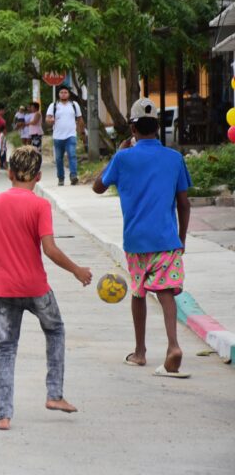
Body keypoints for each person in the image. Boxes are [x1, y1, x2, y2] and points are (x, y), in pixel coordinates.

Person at [0, 146, 92, 431]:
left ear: (9, 173)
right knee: (55, 330)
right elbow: (49, 249)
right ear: (38, 176)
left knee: (5, 348)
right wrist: (77, 270)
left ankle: (3, 415)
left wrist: (0, 246)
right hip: (36, 287)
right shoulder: (40, 206)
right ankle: (54, 395)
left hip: (3, 289)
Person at [92, 98, 192, 378]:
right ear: (158, 128)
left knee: (138, 292)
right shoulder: (174, 159)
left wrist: (118, 152)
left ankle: (140, 351)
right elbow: (184, 204)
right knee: (166, 291)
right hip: (167, 239)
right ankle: (173, 345)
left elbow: (97, 187)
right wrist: (181, 238)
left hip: (136, 241)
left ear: (133, 129)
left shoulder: (123, 157)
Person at [46, 86, 84, 186]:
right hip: (57, 136)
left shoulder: (74, 105)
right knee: (59, 159)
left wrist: (82, 132)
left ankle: (73, 176)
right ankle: (61, 178)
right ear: (58, 94)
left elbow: (80, 119)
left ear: (69, 94)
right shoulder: (53, 106)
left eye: (65, 92)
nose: (63, 94)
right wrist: (50, 120)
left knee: (72, 155)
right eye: (61, 92)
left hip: (71, 135)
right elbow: (47, 119)